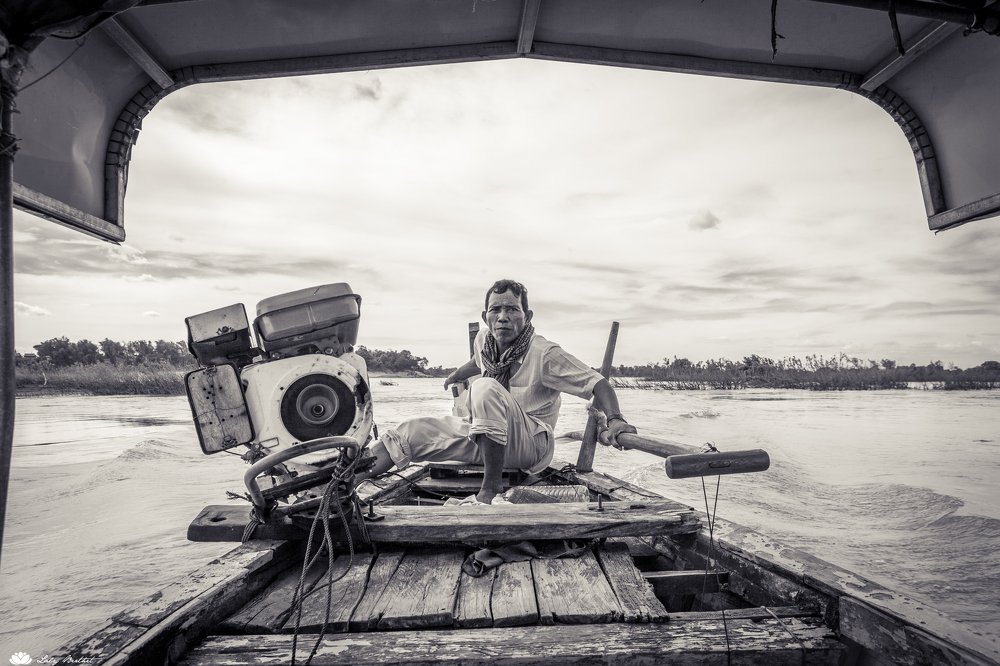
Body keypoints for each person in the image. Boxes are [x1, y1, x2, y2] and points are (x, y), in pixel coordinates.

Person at [359, 279, 637, 504]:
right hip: (489, 439)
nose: (503, 317)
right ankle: (344, 485)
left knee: (485, 387)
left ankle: (489, 490)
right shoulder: (484, 341)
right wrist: (457, 374)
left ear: (526, 316)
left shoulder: (544, 353)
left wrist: (615, 420)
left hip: (531, 446)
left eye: (512, 310)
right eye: (496, 310)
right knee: (411, 431)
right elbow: (476, 363)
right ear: (485, 317)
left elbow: (598, 383)